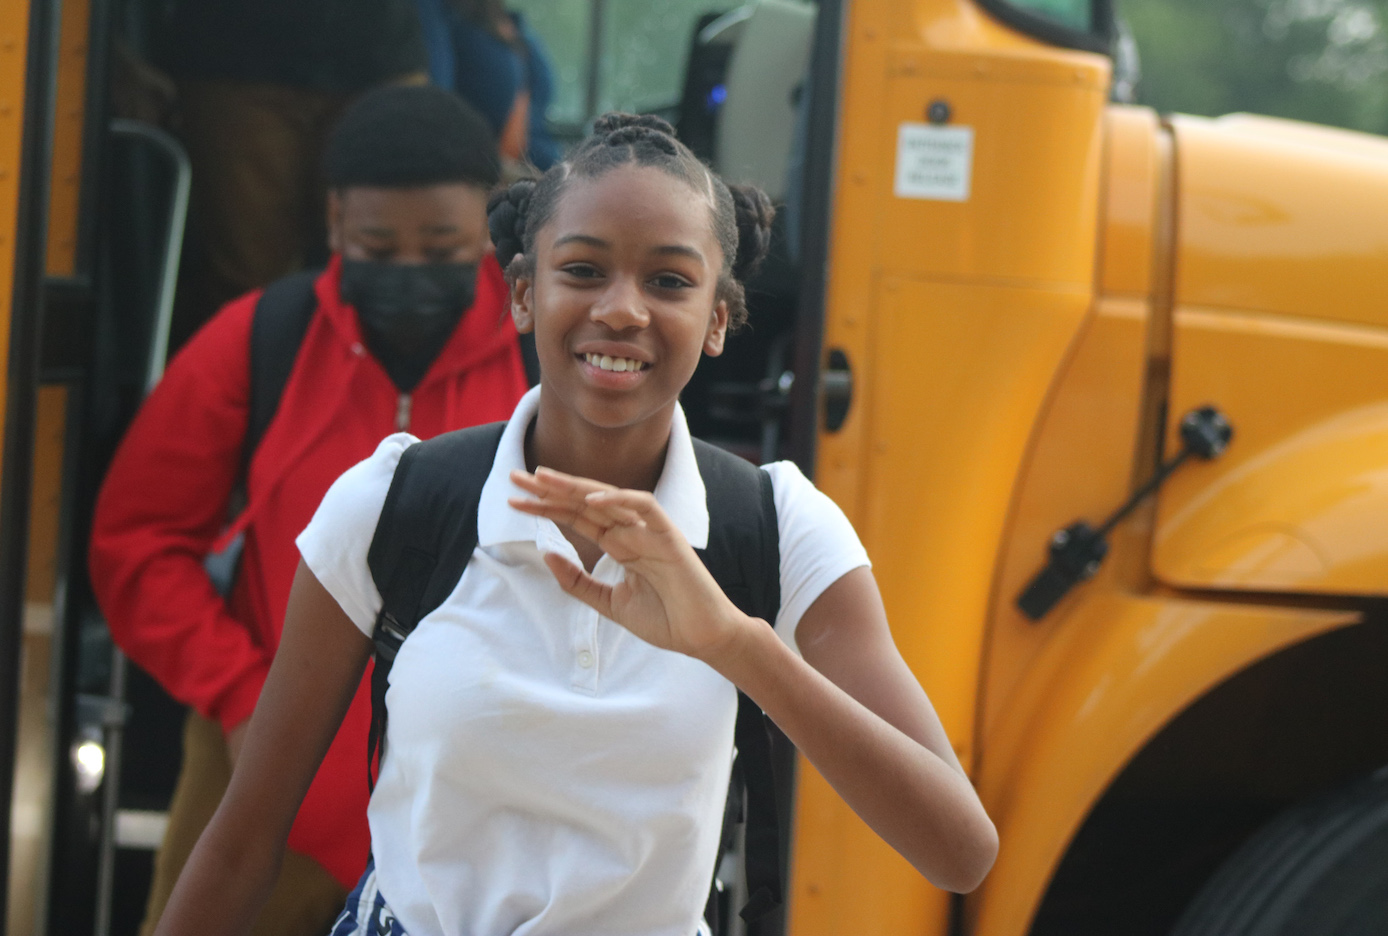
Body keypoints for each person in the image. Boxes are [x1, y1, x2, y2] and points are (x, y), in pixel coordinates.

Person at [152, 113, 998, 936]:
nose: (622, 310)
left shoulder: (779, 528)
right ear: (524, 295)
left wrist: (737, 646)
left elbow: (960, 849)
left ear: (717, 323)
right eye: (584, 271)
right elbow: (240, 844)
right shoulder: (394, 504)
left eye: (669, 281)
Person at [89, 86, 527, 936]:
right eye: (376, 244)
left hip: (476, 806)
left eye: (441, 246)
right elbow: (135, 543)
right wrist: (236, 690)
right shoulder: (258, 339)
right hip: (255, 784)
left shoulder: (544, 355)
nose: (408, 269)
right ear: (332, 222)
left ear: (489, 225)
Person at [155, 0, 431, 351]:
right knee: (249, 284)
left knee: (391, 269)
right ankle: (259, 395)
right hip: (234, 55)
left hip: (380, 50)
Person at [413, 0, 561, 171]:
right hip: (488, 175)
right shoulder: (433, 11)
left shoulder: (510, 25)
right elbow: (434, 103)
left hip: (540, 168)